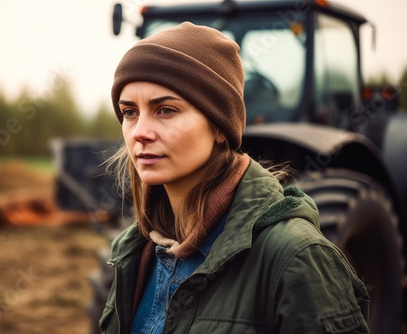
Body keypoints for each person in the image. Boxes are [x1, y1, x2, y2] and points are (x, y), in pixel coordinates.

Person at [100, 22, 369, 334]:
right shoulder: (132, 253)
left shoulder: (296, 257)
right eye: (130, 112)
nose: (140, 133)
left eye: (166, 110)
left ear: (219, 126)